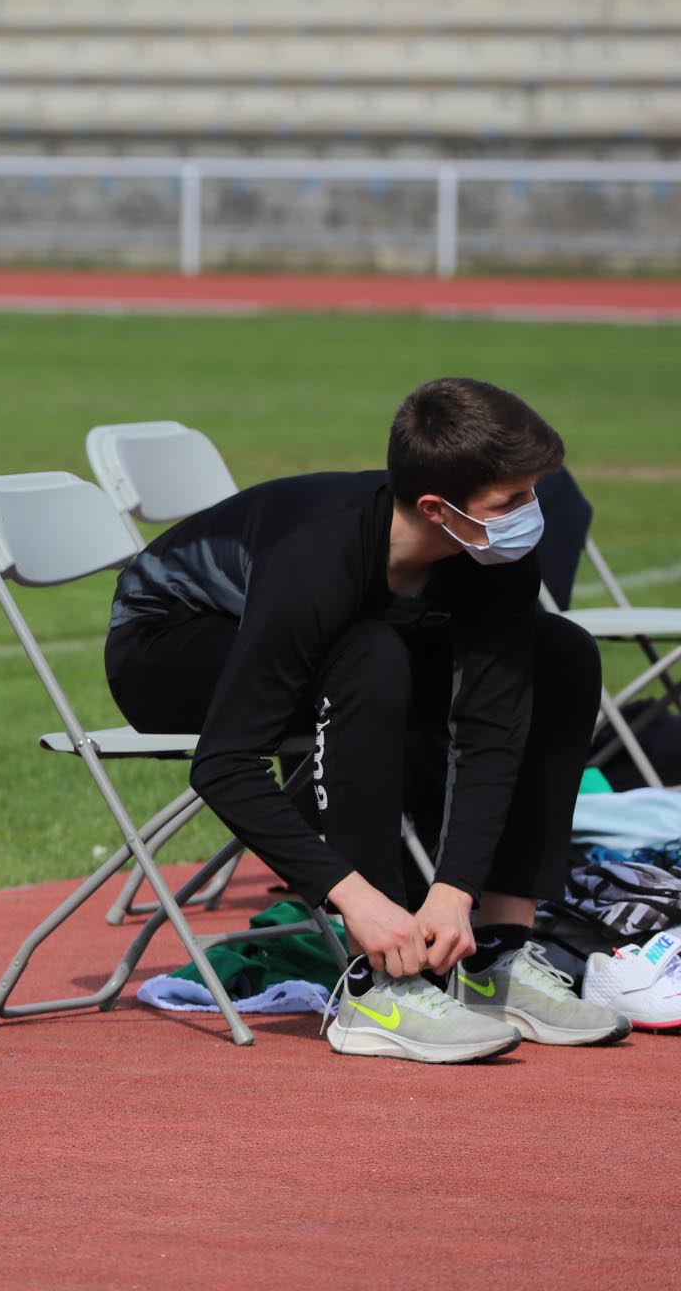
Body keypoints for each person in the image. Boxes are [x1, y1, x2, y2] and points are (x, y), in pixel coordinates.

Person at [103, 377, 629, 1062]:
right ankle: (376, 983)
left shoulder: (492, 550)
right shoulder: (315, 559)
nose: (532, 514)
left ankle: (497, 959)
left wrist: (453, 893)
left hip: (332, 634)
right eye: (513, 500)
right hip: (167, 645)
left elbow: (491, 726)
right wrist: (357, 900)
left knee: (562, 652)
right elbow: (226, 766)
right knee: (367, 653)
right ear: (439, 508)